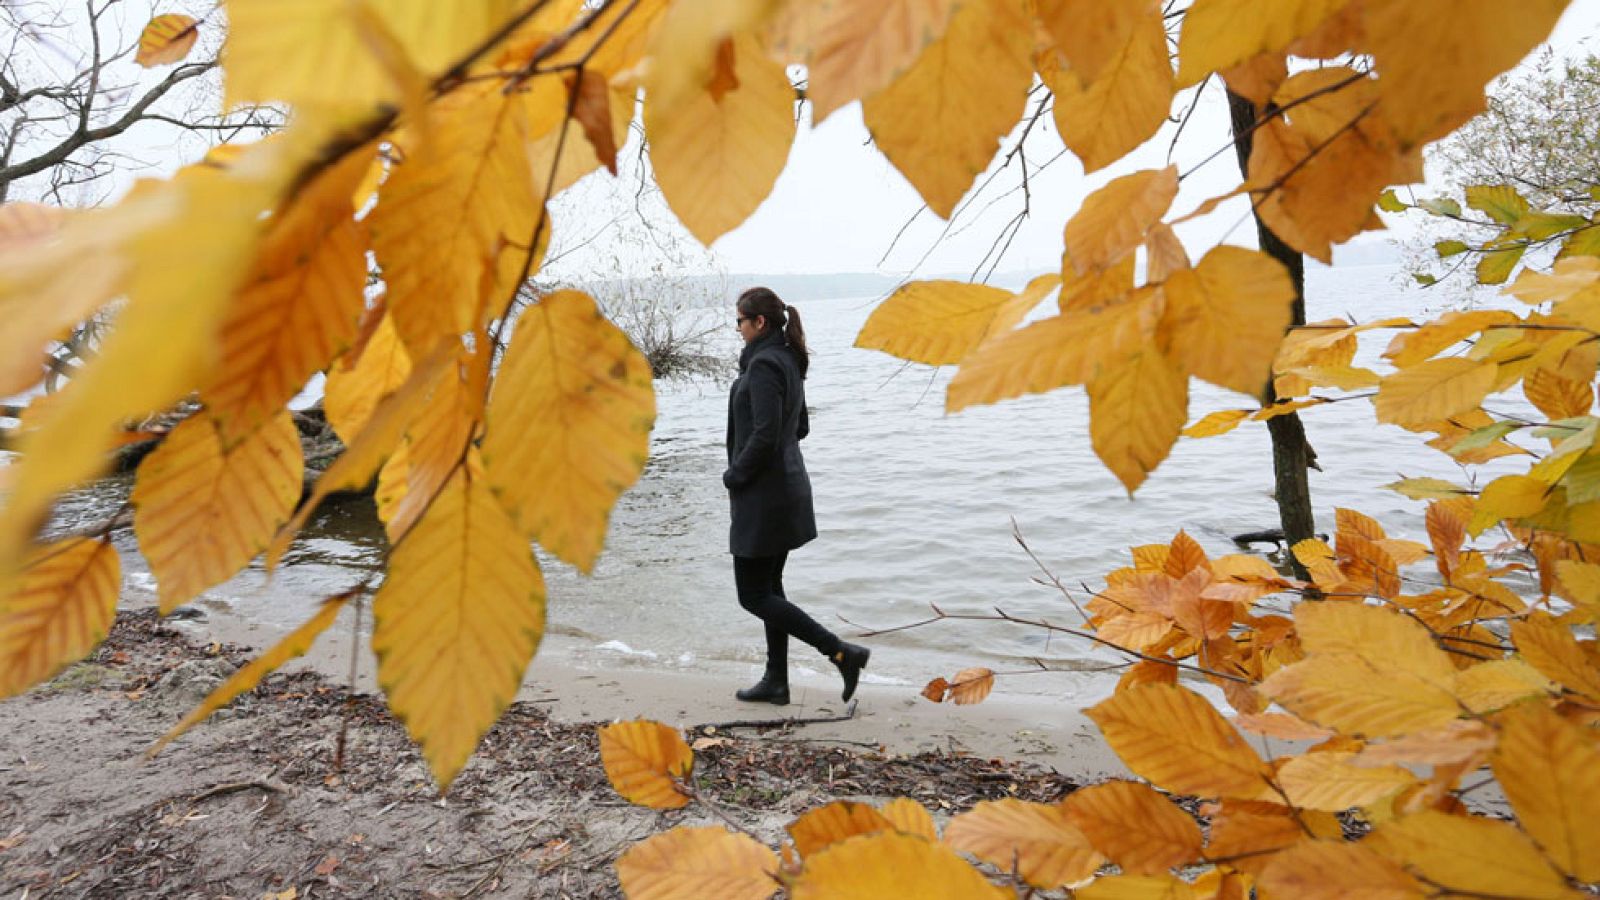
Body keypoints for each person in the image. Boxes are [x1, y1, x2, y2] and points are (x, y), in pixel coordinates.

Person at [724, 286, 870, 706]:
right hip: (783, 489)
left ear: (759, 323)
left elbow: (767, 433)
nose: (737, 328)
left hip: (765, 496)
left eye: (739, 321)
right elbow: (799, 427)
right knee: (770, 588)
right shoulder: (785, 359)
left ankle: (841, 653)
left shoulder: (766, 365)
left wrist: (735, 474)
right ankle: (776, 681)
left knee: (752, 594)